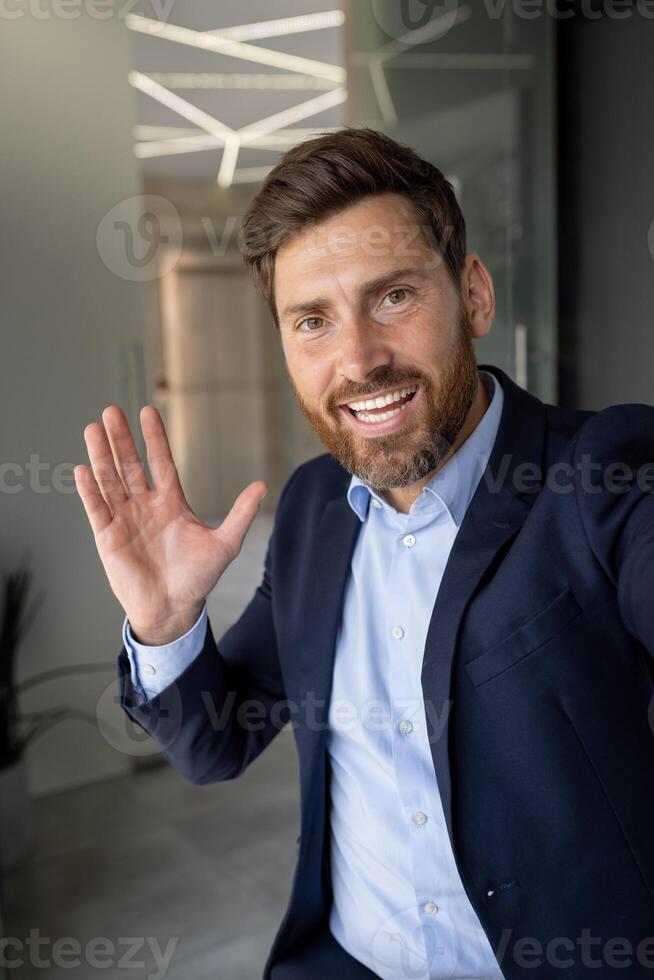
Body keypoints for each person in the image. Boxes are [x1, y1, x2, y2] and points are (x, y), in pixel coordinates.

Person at [75, 128, 654, 980]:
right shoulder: (314, 507)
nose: (358, 359)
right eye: (312, 320)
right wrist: (165, 627)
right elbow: (215, 746)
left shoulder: (601, 471)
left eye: (392, 298)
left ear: (475, 294)